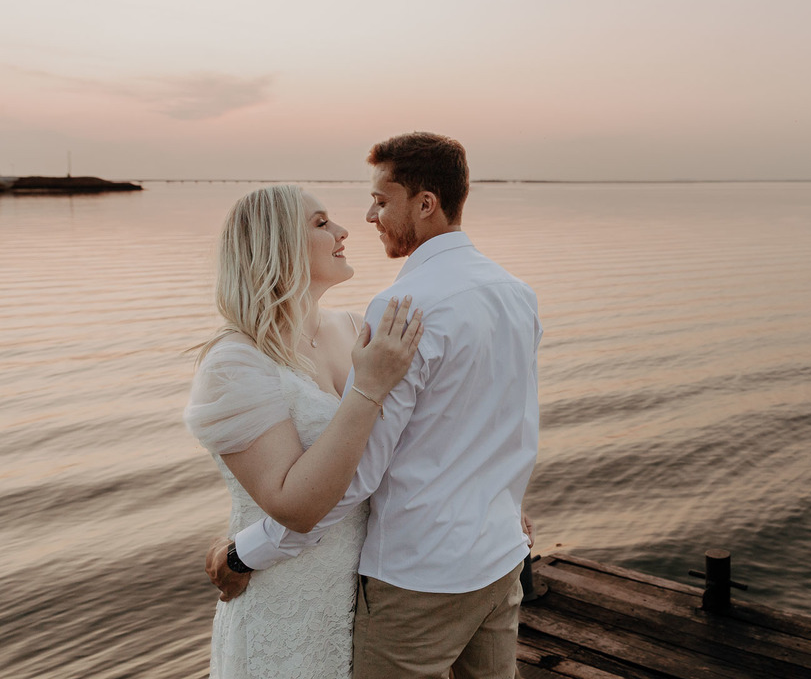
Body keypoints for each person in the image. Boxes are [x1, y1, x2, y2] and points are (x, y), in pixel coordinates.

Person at [209, 132, 542, 679]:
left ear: (426, 204)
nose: (367, 217)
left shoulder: (401, 307)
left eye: (382, 201)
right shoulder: (515, 292)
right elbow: (514, 428)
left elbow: (357, 476)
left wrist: (247, 553)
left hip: (419, 580)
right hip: (500, 560)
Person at [184, 184, 425, 679]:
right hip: (287, 600)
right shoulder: (235, 362)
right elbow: (295, 506)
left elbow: (409, 446)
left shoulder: (355, 326)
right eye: (321, 224)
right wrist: (369, 388)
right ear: (277, 246)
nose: (343, 231)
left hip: (371, 593)